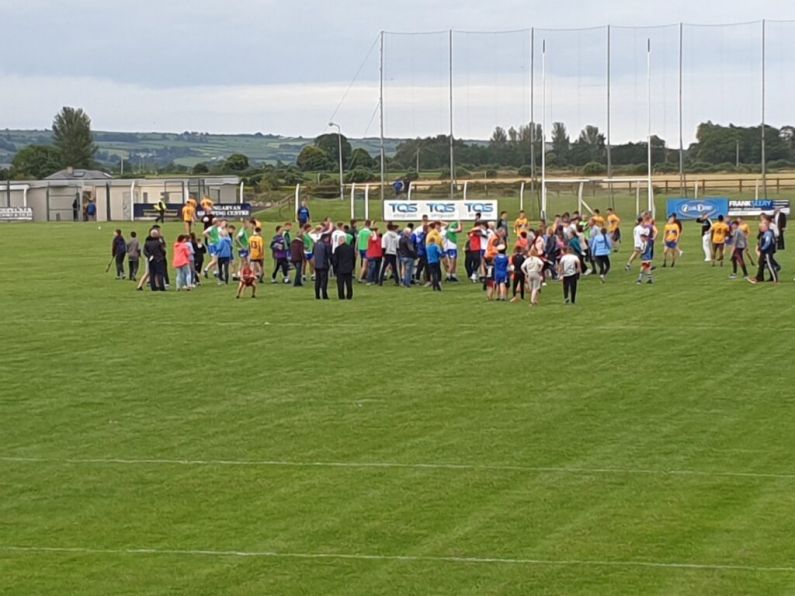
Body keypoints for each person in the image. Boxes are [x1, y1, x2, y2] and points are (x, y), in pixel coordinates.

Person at [333, 235, 355, 300]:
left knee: (340, 284)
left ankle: (341, 296)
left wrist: (335, 269)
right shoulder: (351, 248)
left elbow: (335, 260)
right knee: (349, 283)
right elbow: (353, 258)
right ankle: (349, 295)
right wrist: (352, 266)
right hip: (349, 268)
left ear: (340, 241)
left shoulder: (337, 249)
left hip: (340, 269)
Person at [313, 233, 331, 299]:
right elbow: (329, 255)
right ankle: (324, 295)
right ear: (326, 238)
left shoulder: (316, 244)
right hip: (324, 265)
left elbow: (313, 253)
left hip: (316, 264)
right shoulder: (326, 245)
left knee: (317, 280)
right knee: (324, 281)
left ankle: (317, 295)